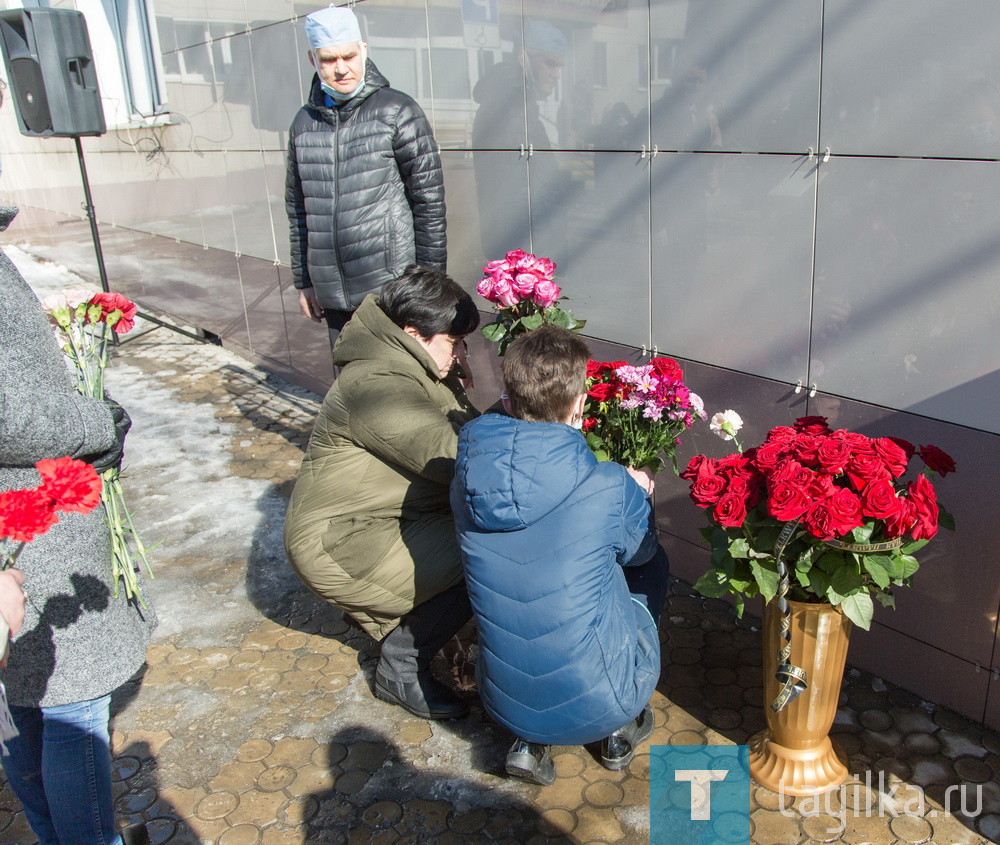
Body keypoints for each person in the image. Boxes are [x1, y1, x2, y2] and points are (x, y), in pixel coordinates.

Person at [451, 326, 670, 785]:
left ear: (509, 401)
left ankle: (529, 744)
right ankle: (616, 730)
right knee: (649, 565)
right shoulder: (608, 484)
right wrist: (637, 493)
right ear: (580, 405)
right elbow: (640, 551)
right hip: (604, 700)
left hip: (503, 697)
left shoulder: (468, 475)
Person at [0, 205, 156, 844]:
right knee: (72, 703)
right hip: (29, 520)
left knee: (24, 707)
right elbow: (15, 417)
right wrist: (99, 420)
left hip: (23, 521)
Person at [284, 267, 479, 720]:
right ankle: (403, 664)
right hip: (343, 544)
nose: (462, 353)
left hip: (384, 520)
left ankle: (411, 617)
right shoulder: (376, 384)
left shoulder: (408, 364)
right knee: (497, 554)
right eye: (454, 342)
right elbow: (454, 458)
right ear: (414, 333)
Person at [286, 5, 447, 349]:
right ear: (312, 59)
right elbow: (298, 210)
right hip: (332, 296)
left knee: (396, 394)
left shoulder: (397, 111)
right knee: (351, 392)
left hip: (390, 293)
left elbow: (429, 203)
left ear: (363, 50)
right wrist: (305, 281)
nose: (341, 68)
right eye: (329, 59)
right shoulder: (303, 124)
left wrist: (429, 289)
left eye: (348, 55)